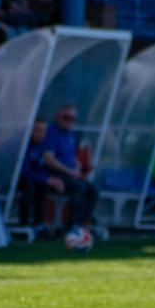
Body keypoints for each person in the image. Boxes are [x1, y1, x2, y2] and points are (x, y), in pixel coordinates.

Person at [37, 104, 99, 243]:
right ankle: (72, 226)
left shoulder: (70, 134)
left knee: (93, 190)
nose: (69, 121)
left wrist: (78, 168)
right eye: (66, 117)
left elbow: (71, 156)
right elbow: (49, 159)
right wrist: (69, 171)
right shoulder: (51, 133)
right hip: (56, 174)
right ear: (57, 117)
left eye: (72, 118)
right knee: (79, 188)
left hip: (70, 174)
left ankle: (84, 224)